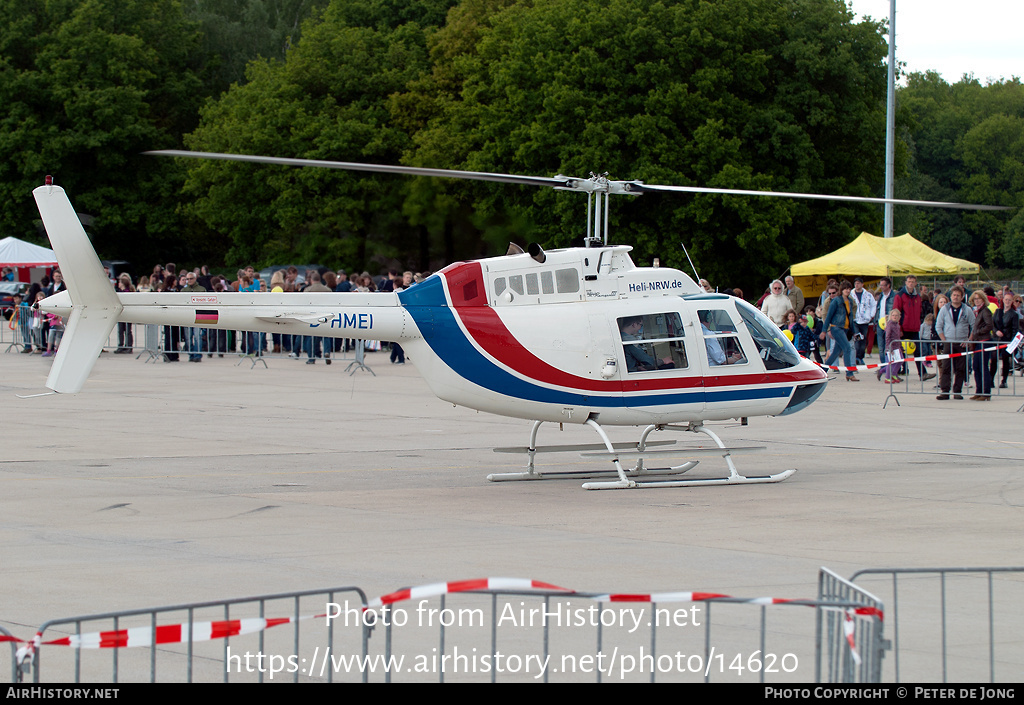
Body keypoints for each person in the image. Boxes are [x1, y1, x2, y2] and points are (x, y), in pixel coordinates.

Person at [893, 275, 935, 382]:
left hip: (914, 328)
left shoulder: (918, 297)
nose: (911, 283)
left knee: (918, 352)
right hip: (903, 328)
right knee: (899, 352)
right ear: (906, 283)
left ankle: (923, 373)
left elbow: (919, 312)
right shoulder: (900, 296)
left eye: (913, 282)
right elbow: (896, 312)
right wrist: (899, 328)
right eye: (909, 281)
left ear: (916, 283)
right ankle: (892, 372)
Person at [935, 286, 974, 400]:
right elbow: (939, 326)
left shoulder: (967, 310)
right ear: (950, 297)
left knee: (960, 368)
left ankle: (957, 391)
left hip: (961, 343)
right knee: (946, 367)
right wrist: (944, 340)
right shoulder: (944, 309)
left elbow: (973, 325)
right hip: (948, 342)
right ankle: (945, 391)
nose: (955, 297)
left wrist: (968, 340)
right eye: (954, 295)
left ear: (962, 297)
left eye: (958, 295)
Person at [821, 280, 858, 381]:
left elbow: (851, 318)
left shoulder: (850, 301)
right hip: (836, 328)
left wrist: (854, 332)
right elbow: (828, 316)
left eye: (849, 289)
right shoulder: (836, 301)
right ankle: (849, 373)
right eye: (846, 289)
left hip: (846, 329)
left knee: (835, 352)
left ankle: (822, 370)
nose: (848, 291)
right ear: (842, 290)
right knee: (847, 348)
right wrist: (824, 331)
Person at [968, 290, 994, 400]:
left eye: (978, 298)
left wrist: (977, 332)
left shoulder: (985, 311)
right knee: (976, 367)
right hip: (978, 342)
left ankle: (986, 392)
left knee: (983, 367)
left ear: (983, 299)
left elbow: (989, 325)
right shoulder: (977, 311)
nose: (977, 300)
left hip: (984, 341)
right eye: (975, 299)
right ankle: (979, 391)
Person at [993, 291, 1019, 389]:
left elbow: (1015, 329)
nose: (1007, 301)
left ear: (1012, 301)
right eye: (1006, 299)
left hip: (1007, 340)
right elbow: (993, 325)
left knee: (1005, 360)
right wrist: (996, 332)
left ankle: (1004, 380)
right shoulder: (998, 311)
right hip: (997, 339)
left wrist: (1012, 343)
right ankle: (991, 379)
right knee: (994, 358)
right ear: (1003, 300)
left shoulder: (1014, 314)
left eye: (1009, 300)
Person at [849, 277, 876, 365]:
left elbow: (873, 305)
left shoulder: (868, 295)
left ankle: (861, 356)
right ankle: (856, 357)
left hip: (865, 320)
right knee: (857, 338)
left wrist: (871, 315)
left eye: (858, 283)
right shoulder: (851, 294)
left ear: (862, 284)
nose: (857, 285)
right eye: (855, 283)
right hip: (855, 320)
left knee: (863, 340)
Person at [181, 271, 207, 362]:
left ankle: (197, 354)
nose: (189, 280)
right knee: (188, 337)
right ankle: (190, 354)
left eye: (191, 278)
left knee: (197, 336)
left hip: (198, 315)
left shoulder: (201, 289)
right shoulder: (183, 290)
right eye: (187, 279)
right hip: (187, 316)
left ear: (195, 279)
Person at [877, 308, 903, 383]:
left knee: (900, 361)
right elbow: (887, 337)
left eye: (896, 315)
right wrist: (889, 348)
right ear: (890, 316)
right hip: (891, 347)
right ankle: (887, 377)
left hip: (897, 347)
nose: (894, 317)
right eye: (893, 315)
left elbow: (898, 337)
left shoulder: (897, 326)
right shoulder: (890, 325)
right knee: (890, 363)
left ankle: (891, 373)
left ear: (899, 317)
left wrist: (900, 346)